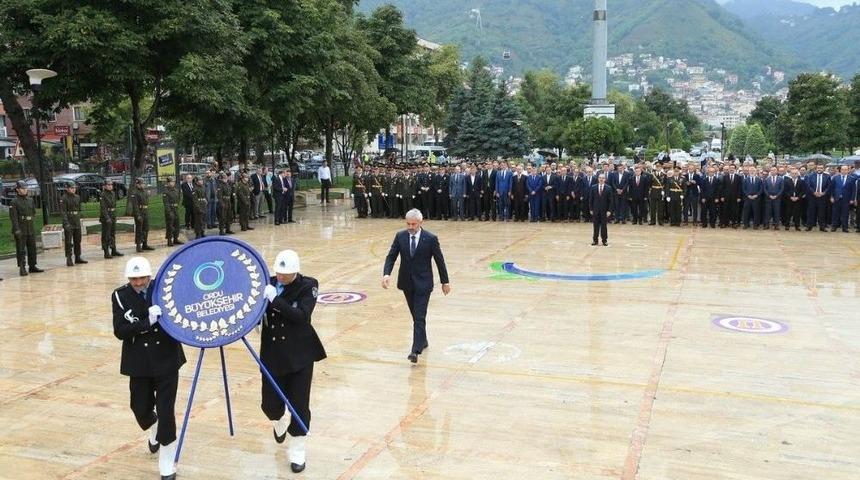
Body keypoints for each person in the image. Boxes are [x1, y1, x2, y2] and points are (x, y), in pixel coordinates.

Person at [112, 257, 186, 480]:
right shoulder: (119, 295)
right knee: (139, 407)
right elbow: (120, 330)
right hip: (139, 361)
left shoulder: (163, 290)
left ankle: (167, 461)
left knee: (166, 411)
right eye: (133, 279)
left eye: (141, 278)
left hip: (166, 358)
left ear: (149, 276)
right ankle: (152, 426)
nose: (137, 283)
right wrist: (147, 322)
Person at [260, 250, 326, 474]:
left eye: (286, 274)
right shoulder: (266, 282)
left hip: (300, 354)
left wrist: (274, 300)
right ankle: (278, 421)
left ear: (295, 272)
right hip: (272, 353)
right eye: (278, 272)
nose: (280, 277)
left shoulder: (308, 286)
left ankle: (297, 449)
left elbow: (301, 316)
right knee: (270, 405)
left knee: (299, 404)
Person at [382, 209, 451, 363]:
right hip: (407, 283)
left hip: (424, 284)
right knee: (416, 315)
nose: (410, 227)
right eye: (408, 224)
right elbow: (391, 256)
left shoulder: (431, 239)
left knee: (419, 316)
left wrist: (445, 282)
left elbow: (440, 261)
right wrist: (386, 274)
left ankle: (415, 350)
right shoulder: (400, 236)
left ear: (421, 222)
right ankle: (423, 340)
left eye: (413, 224)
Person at [9, 180, 43, 276]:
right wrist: (16, 229)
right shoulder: (14, 202)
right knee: (21, 249)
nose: (25, 190)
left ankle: (32, 266)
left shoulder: (30, 200)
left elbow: (33, 213)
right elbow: (13, 217)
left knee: (32, 248)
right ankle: (22, 267)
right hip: (21, 228)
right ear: (18, 190)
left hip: (30, 227)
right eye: (23, 188)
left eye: (25, 188)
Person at [60, 183, 88, 266]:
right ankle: (69, 258)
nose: (73, 189)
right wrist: (66, 223)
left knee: (77, 240)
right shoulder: (64, 198)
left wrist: (79, 218)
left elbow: (78, 209)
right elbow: (63, 212)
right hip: (69, 221)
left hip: (76, 221)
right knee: (68, 242)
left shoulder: (77, 197)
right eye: (71, 188)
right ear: (67, 189)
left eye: (74, 188)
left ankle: (78, 257)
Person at [130, 177, 155, 252]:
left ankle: (145, 244)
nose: (142, 185)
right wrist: (138, 215)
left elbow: (146, 201)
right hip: (139, 212)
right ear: (137, 184)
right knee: (139, 230)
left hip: (145, 211)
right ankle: (138, 245)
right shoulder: (135, 193)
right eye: (140, 184)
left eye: (143, 183)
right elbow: (135, 206)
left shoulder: (144, 192)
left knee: (146, 229)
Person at [588, 174, 614, 246]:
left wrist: (609, 210)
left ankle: (604, 240)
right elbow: (591, 199)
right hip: (595, 210)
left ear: (605, 179)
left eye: (603, 178)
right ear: (598, 179)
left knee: (604, 226)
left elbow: (611, 201)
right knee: (595, 226)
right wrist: (591, 209)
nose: (601, 179)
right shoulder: (593, 187)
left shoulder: (608, 188)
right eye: (600, 178)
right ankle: (595, 240)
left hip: (604, 211)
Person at [100, 180, 124, 259]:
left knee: (112, 234)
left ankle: (113, 249)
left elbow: (114, 205)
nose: (110, 186)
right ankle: (106, 251)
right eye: (108, 185)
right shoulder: (103, 195)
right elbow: (103, 208)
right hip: (106, 217)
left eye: (111, 185)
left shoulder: (113, 194)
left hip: (112, 215)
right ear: (105, 186)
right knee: (106, 235)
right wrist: (107, 218)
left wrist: (114, 216)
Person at [162, 177, 184, 247]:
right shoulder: (166, 192)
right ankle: (169, 240)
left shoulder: (176, 190)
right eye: (171, 182)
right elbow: (166, 203)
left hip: (175, 209)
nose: (173, 183)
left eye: (173, 182)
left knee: (177, 224)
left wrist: (177, 206)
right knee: (170, 225)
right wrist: (169, 212)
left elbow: (179, 198)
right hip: (170, 209)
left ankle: (175, 238)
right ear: (168, 183)